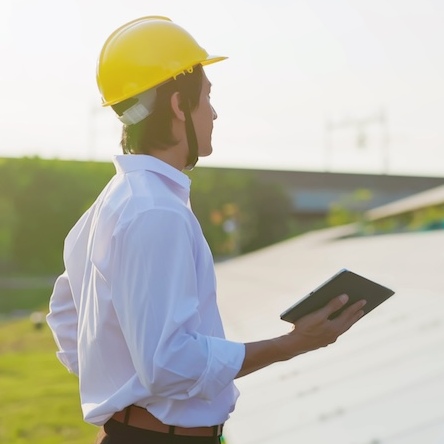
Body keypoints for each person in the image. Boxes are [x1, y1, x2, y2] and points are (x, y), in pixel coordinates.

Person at [46, 16, 366, 444]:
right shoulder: (155, 211)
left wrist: (122, 387)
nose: (213, 112)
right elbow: (169, 364)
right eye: (207, 97)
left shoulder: (116, 200)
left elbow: (68, 317)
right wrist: (292, 344)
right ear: (179, 106)